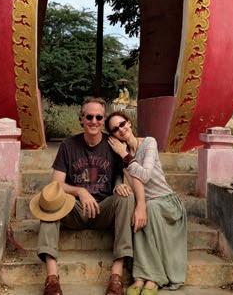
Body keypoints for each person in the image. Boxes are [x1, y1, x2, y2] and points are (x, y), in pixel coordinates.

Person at [36, 97, 144, 295]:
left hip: (104, 209)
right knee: (48, 201)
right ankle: (52, 278)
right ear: (81, 118)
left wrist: (119, 185)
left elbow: (125, 174)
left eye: (99, 117)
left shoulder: (113, 144)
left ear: (103, 120)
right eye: (89, 117)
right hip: (75, 209)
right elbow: (56, 184)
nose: (94, 121)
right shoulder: (68, 145)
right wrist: (80, 191)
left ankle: (116, 276)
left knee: (126, 197)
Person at [106, 111, 187, 295]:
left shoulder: (149, 142)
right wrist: (118, 185)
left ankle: (152, 279)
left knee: (148, 208)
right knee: (137, 212)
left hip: (167, 204)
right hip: (148, 205)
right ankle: (141, 277)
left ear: (129, 122)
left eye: (122, 124)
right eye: (115, 129)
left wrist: (124, 154)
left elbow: (145, 175)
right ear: (113, 136)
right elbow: (121, 177)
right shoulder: (123, 156)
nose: (121, 129)